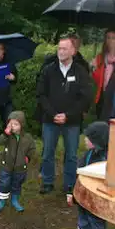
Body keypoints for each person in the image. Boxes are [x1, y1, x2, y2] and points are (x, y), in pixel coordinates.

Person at [37, 36, 92, 195]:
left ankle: (70, 184)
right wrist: (53, 114)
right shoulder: (49, 69)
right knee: (48, 152)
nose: (61, 52)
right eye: (59, 48)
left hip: (72, 121)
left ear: (73, 51)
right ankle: (47, 182)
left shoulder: (80, 71)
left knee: (71, 154)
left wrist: (68, 115)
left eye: (64, 49)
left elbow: (85, 97)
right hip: (50, 119)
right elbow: (41, 95)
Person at [63, 121, 109, 229]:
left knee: (98, 228)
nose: (85, 139)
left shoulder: (107, 159)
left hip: (98, 202)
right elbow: (78, 175)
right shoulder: (86, 155)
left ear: (97, 141)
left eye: (88, 137)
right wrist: (72, 193)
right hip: (83, 199)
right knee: (83, 224)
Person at [0, 111, 36, 214]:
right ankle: (1, 202)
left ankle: (15, 200)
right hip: (6, 166)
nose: (12, 127)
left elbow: (32, 149)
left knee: (17, 184)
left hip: (20, 168)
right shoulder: (7, 137)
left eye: (15, 124)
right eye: (10, 124)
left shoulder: (27, 138)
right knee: (4, 183)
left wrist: (28, 157)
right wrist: (6, 133)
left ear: (22, 125)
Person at [91, 29, 115, 118]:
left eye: (113, 38)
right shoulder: (100, 57)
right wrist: (94, 68)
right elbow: (97, 81)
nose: (110, 41)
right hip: (102, 96)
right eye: (108, 38)